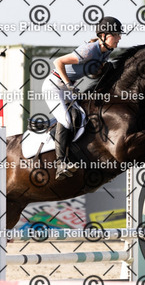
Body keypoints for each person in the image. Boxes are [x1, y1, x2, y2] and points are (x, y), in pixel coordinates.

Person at [42, 16, 122, 180]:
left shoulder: (106, 52)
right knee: (66, 121)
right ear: (103, 36)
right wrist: (67, 83)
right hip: (54, 85)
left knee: (81, 117)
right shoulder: (89, 50)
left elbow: (93, 71)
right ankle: (60, 163)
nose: (119, 37)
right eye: (115, 34)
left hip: (67, 87)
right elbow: (58, 62)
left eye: (119, 34)